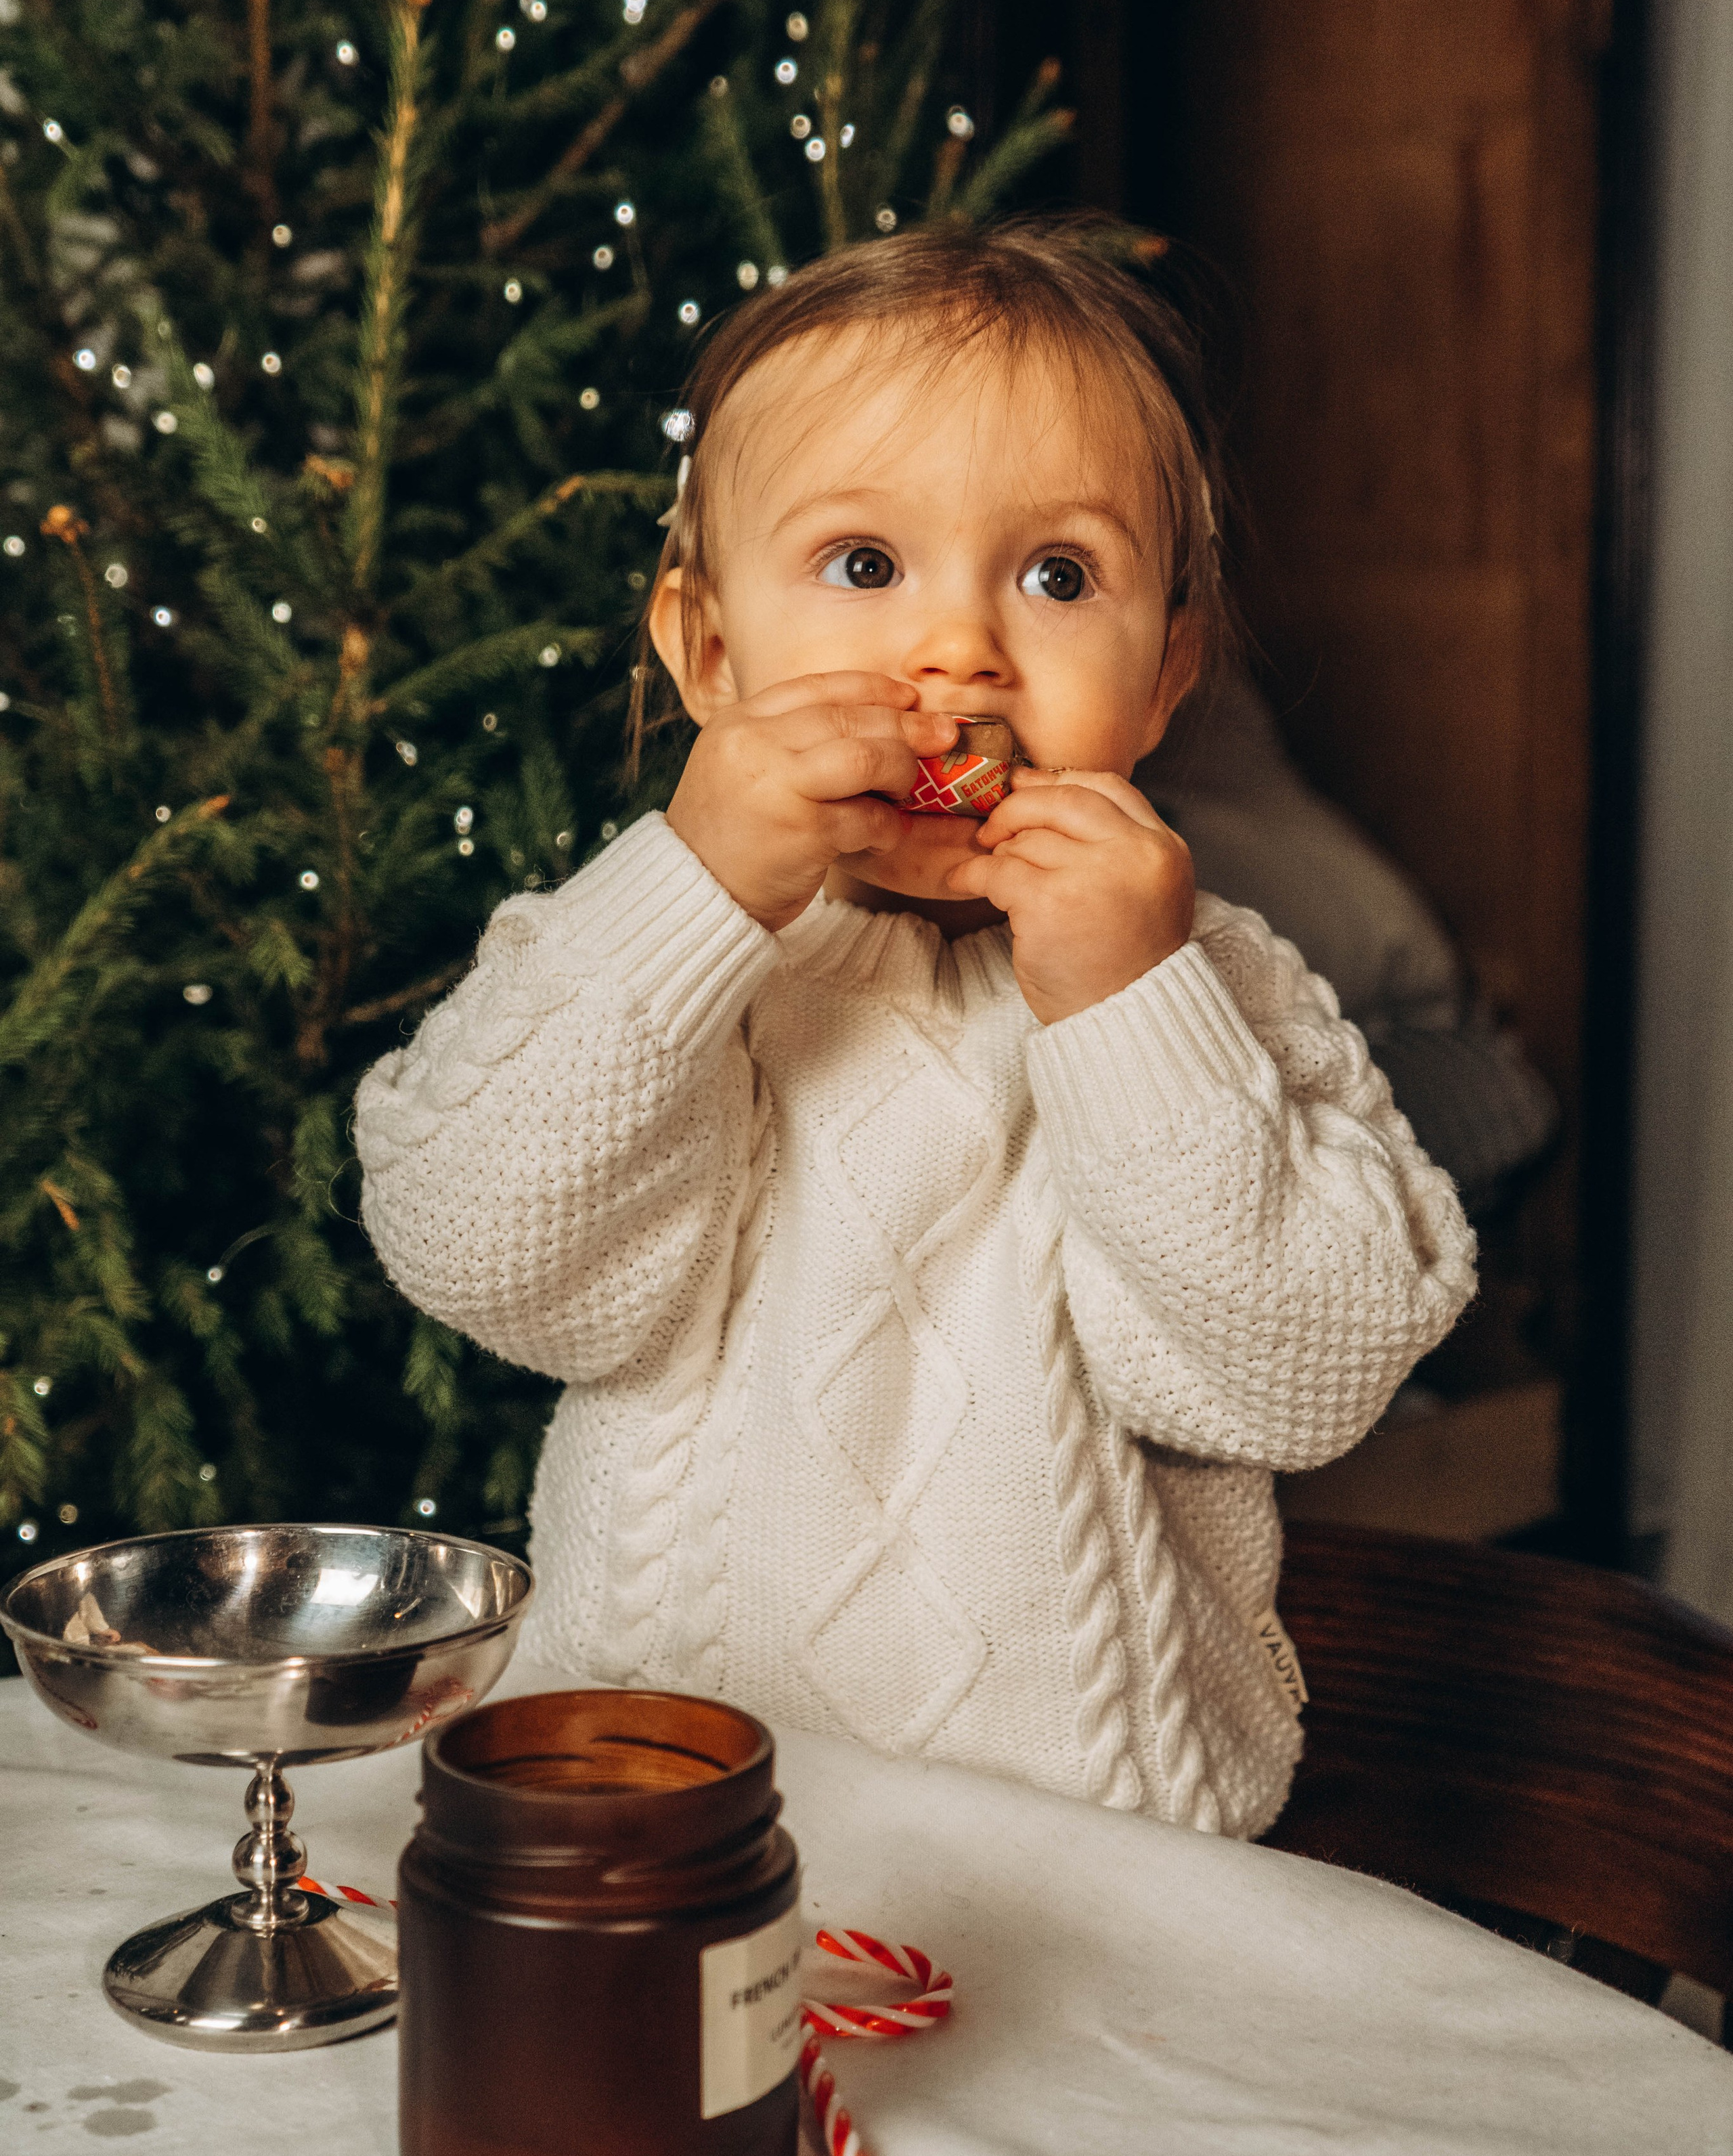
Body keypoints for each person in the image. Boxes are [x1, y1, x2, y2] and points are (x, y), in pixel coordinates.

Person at [356, 215, 1476, 1836]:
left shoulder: (1202, 981)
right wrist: (690, 887)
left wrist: (1131, 1005)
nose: (955, 652)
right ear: (711, 655)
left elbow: (1291, 1380)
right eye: (864, 567)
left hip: (1113, 1852)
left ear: (1162, 679)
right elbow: (478, 1252)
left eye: (1055, 575)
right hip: (660, 1818)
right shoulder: (660, 958)